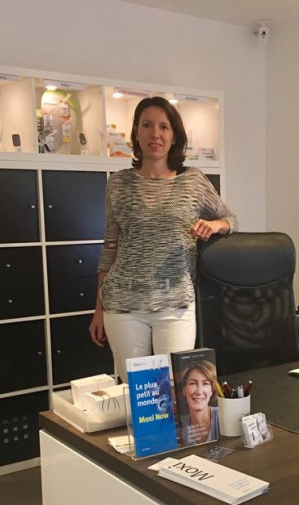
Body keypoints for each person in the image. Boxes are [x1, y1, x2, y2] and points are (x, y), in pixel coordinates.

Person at [89, 96, 239, 378]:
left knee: (175, 386)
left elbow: (231, 219)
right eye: (147, 125)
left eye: (164, 127)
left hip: (175, 305)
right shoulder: (118, 183)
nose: (155, 134)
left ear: (174, 136)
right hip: (122, 305)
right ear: (136, 132)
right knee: (137, 389)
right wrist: (99, 309)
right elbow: (110, 248)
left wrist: (213, 225)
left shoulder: (193, 180)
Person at [176, 359, 221, 445]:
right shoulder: (181, 426)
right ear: (184, 390)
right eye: (193, 383)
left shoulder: (222, 416)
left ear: (212, 390)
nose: (199, 392)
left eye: (205, 383)